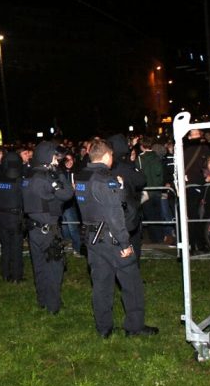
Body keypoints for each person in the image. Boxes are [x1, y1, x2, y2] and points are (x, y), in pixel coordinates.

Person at [74, 138, 158, 338]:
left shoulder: (81, 177)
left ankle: (104, 328)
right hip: (112, 239)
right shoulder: (106, 179)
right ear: (105, 156)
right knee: (132, 283)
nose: (112, 158)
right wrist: (125, 244)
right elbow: (114, 215)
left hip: (93, 239)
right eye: (111, 155)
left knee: (101, 284)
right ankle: (135, 327)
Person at [21, 141, 73, 314]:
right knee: (54, 267)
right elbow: (67, 194)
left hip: (33, 229)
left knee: (39, 266)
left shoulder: (28, 175)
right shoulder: (46, 177)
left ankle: (42, 299)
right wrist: (59, 173)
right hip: (48, 230)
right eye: (54, 157)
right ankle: (53, 305)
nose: (56, 161)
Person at [107, 133, 147, 264]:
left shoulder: (106, 167)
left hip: (110, 213)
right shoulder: (126, 166)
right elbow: (141, 181)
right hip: (128, 212)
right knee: (133, 244)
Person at [0, 151, 26, 282]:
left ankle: (5, 273)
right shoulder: (20, 181)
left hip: (2, 217)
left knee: (6, 246)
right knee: (16, 247)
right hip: (15, 217)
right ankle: (16, 276)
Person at [60, 152, 83, 256]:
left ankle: (77, 248)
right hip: (62, 202)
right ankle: (68, 243)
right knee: (64, 225)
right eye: (67, 160)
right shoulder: (60, 173)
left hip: (71, 202)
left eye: (71, 160)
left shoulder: (77, 172)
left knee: (72, 225)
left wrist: (76, 188)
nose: (69, 162)